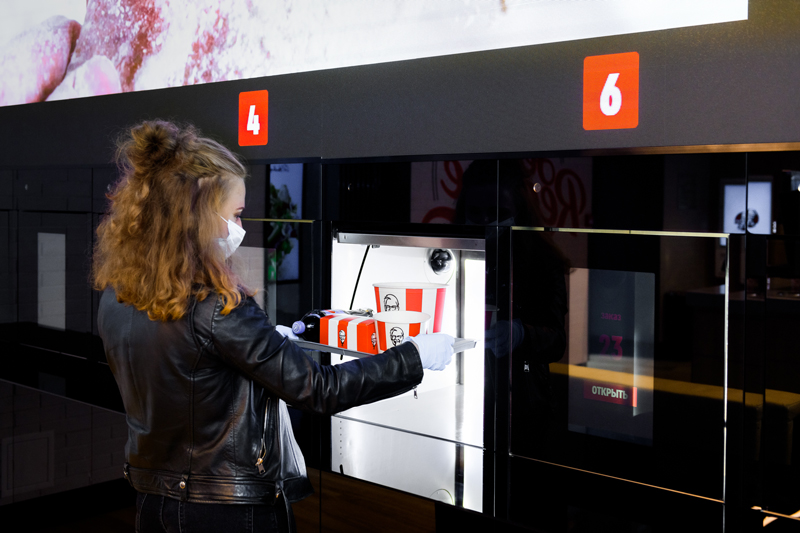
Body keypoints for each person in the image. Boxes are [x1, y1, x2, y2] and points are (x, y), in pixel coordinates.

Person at [93, 120, 454, 532]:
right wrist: (414, 356)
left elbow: (187, 382)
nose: (240, 228)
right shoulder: (218, 307)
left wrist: (257, 348)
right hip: (227, 515)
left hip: (153, 506)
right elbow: (320, 389)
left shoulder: (116, 296)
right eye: (236, 214)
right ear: (199, 214)